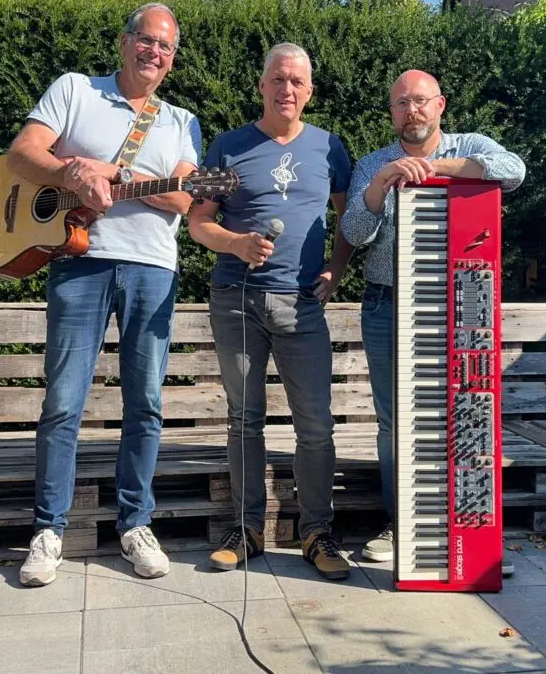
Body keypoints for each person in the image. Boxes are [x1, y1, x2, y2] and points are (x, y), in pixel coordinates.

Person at [6, 2, 202, 586]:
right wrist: (70, 174)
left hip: (153, 269)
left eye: (165, 47)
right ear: (124, 41)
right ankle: (48, 530)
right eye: (146, 40)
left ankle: (136, 524)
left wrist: (118, 176)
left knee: (145, 403)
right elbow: (22, 153)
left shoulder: (181, 120)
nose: (154, 52)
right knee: (63, 401)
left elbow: (187, 198)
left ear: (172, 60)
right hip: (78, 261)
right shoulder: (75, 89)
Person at [340, 69, 526, 563]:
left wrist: (438, 167)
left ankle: (469, 538)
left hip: (460, 304)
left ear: (440, 104)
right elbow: (354, 233)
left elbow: (513, 170)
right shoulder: (373, 163)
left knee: (463, 413)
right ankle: (401, 526)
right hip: (386, 303)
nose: (412, 111)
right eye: (401, 103)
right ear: (392, 112)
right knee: (395, 421)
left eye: (420, 101)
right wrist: (381, 183)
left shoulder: (471, 145)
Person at [188, 43, 356, 581]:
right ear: (262, 85)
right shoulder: (227, 146)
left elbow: (350, 219)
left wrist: (336, 269)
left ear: (310, 91)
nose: (287, 89)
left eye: (297, 82)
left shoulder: (330, 147)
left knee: (316, 424)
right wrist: (235, 244)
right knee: (244, 419)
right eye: (278, 79)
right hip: (235, 301)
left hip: (302, 306)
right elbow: (198, 222)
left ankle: (317, 533)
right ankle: (247, 529)